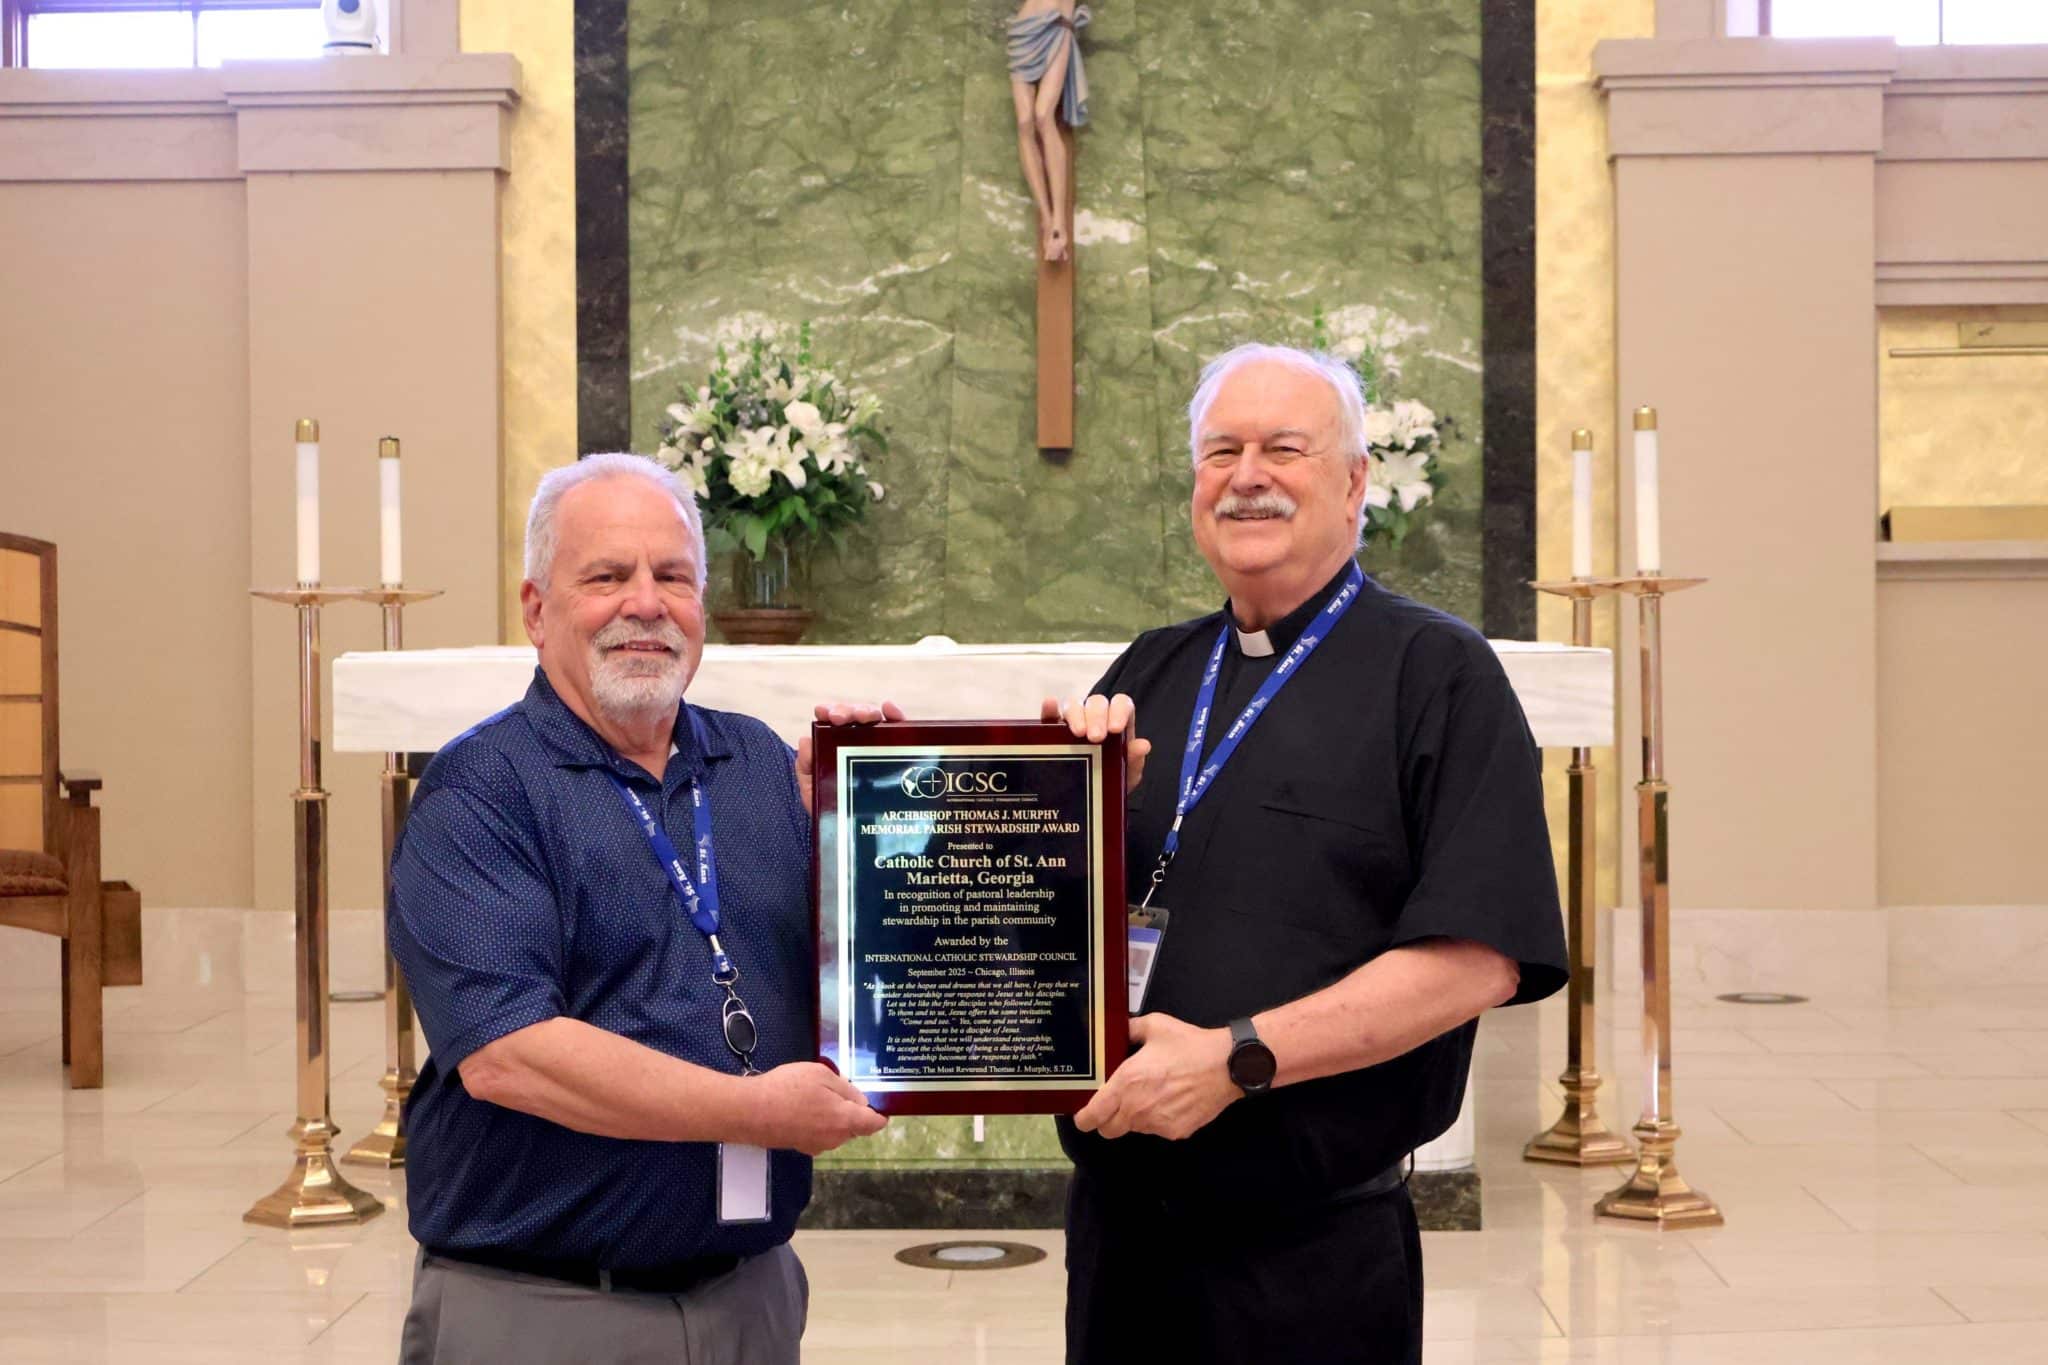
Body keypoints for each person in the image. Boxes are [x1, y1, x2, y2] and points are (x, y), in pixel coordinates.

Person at [1045, 344, 1569, 1365]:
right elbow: (1046, 919)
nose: (1246, 476)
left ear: (1353, 482)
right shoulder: (1148, 668)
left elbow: (1478, 959)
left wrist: (1236, 1059)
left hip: (1310, 1257)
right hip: (1120, 1239)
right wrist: (1078, 820)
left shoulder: (1435, 673)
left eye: (1283, 448)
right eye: (1219, 451)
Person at [388, 451, 893, 1365]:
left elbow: (881, 954)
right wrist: (755, 1111)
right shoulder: (482, 791)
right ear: (537, 609)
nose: (646, 603)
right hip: (545, 1308)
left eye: (673, 576)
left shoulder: (760, 767)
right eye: (607, 576)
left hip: (749, 1298)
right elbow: (510, 1056)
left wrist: (869, 817)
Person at [1008, 0, 1091, 261]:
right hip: (1024, 28)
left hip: (1057, 25)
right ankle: (1046, 217)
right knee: (1024, 122)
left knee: (1044, 115)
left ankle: (1059, 223)